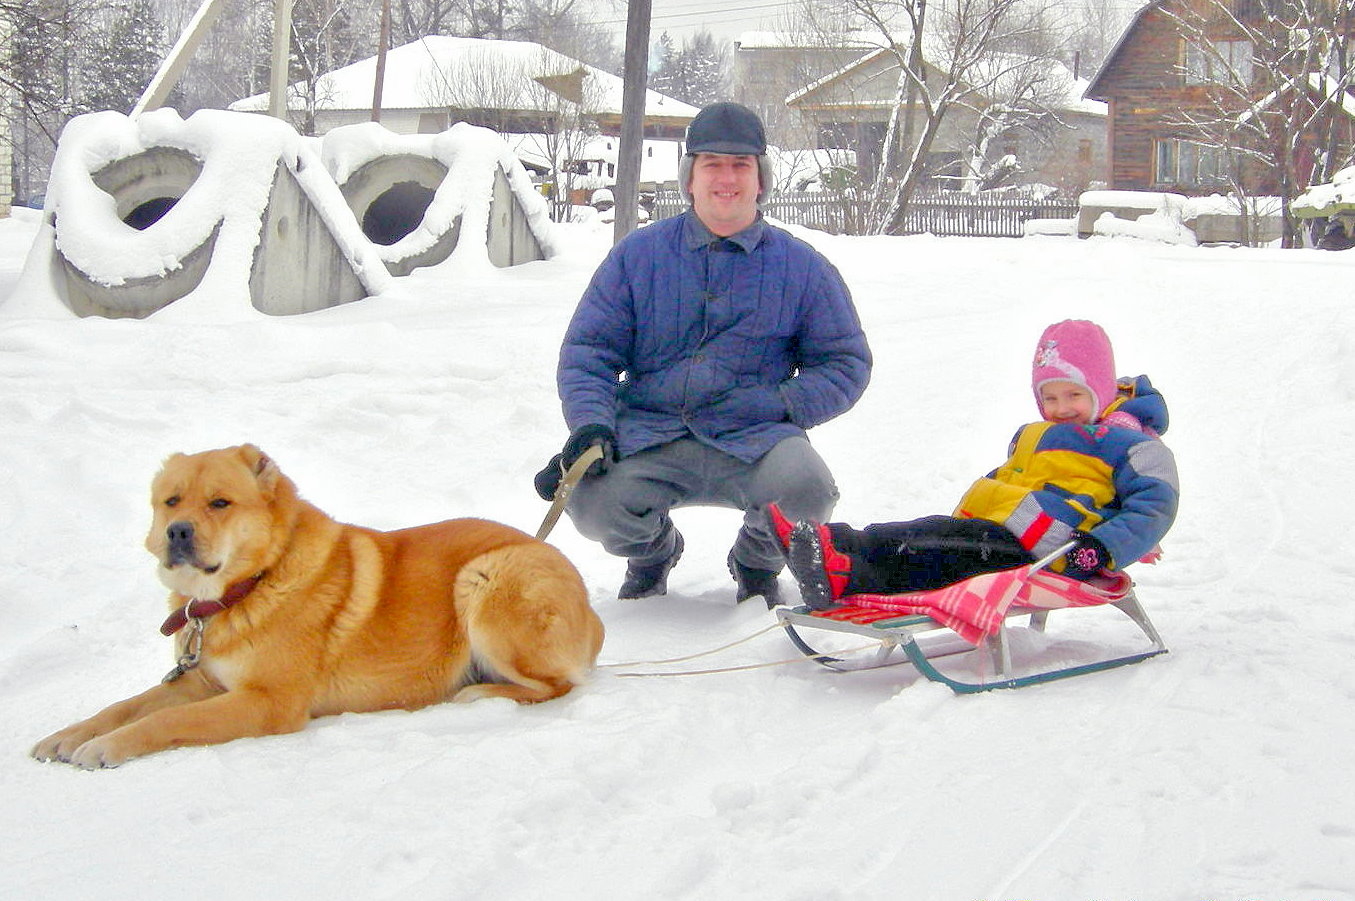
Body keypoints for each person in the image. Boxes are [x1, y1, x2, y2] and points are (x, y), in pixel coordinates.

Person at [535, 102, 872, 606]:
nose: (727, 178)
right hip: (652, 432)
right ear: (689, 178)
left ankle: (756, 563)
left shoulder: (804, 267)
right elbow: (589, 352)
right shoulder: (637, 256)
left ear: (761, 180)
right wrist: (591, 427)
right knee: (590, 502)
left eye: (742, 165)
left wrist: (779, 404)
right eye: (712, 163)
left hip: (756, 436)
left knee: (809, 493)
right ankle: (653, 553)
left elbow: (845, 363)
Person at [772, 319, 1178, 610]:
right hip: (1008, 528)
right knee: (930, 533)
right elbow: (1011, 476)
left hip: (1053, 548)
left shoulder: (1133, 445)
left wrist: (1101, 549)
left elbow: (1153, 508)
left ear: (1101, 389)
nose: (1061, 409)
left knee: (931, 550)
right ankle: (831, 543)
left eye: (1074, 395)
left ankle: (845, 571)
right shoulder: (1037, 435)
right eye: (1049, 398)